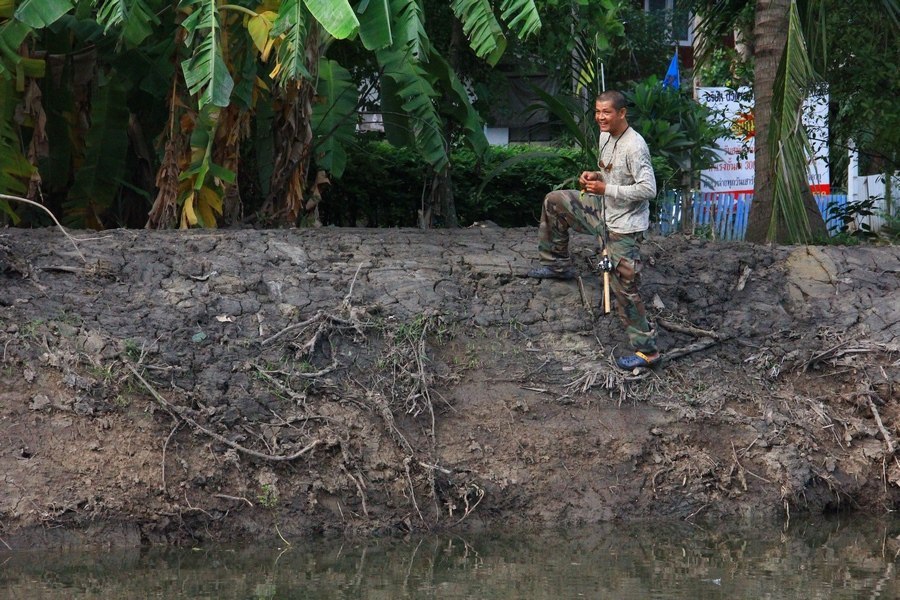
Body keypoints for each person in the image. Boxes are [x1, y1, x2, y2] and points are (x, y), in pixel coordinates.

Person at [527, 90, 660, 370]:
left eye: (606, 112)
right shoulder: (605, 136)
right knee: (555, 201)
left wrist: (606, 188)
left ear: (622, 113)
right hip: (602, 211)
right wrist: (595, 176)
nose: (600, 117)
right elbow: (612, 173)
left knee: (625, 287)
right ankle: (557, 264)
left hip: (624, 226)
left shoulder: (635, 146)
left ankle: (647, 352)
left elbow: (649, 189)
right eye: (598, 112)